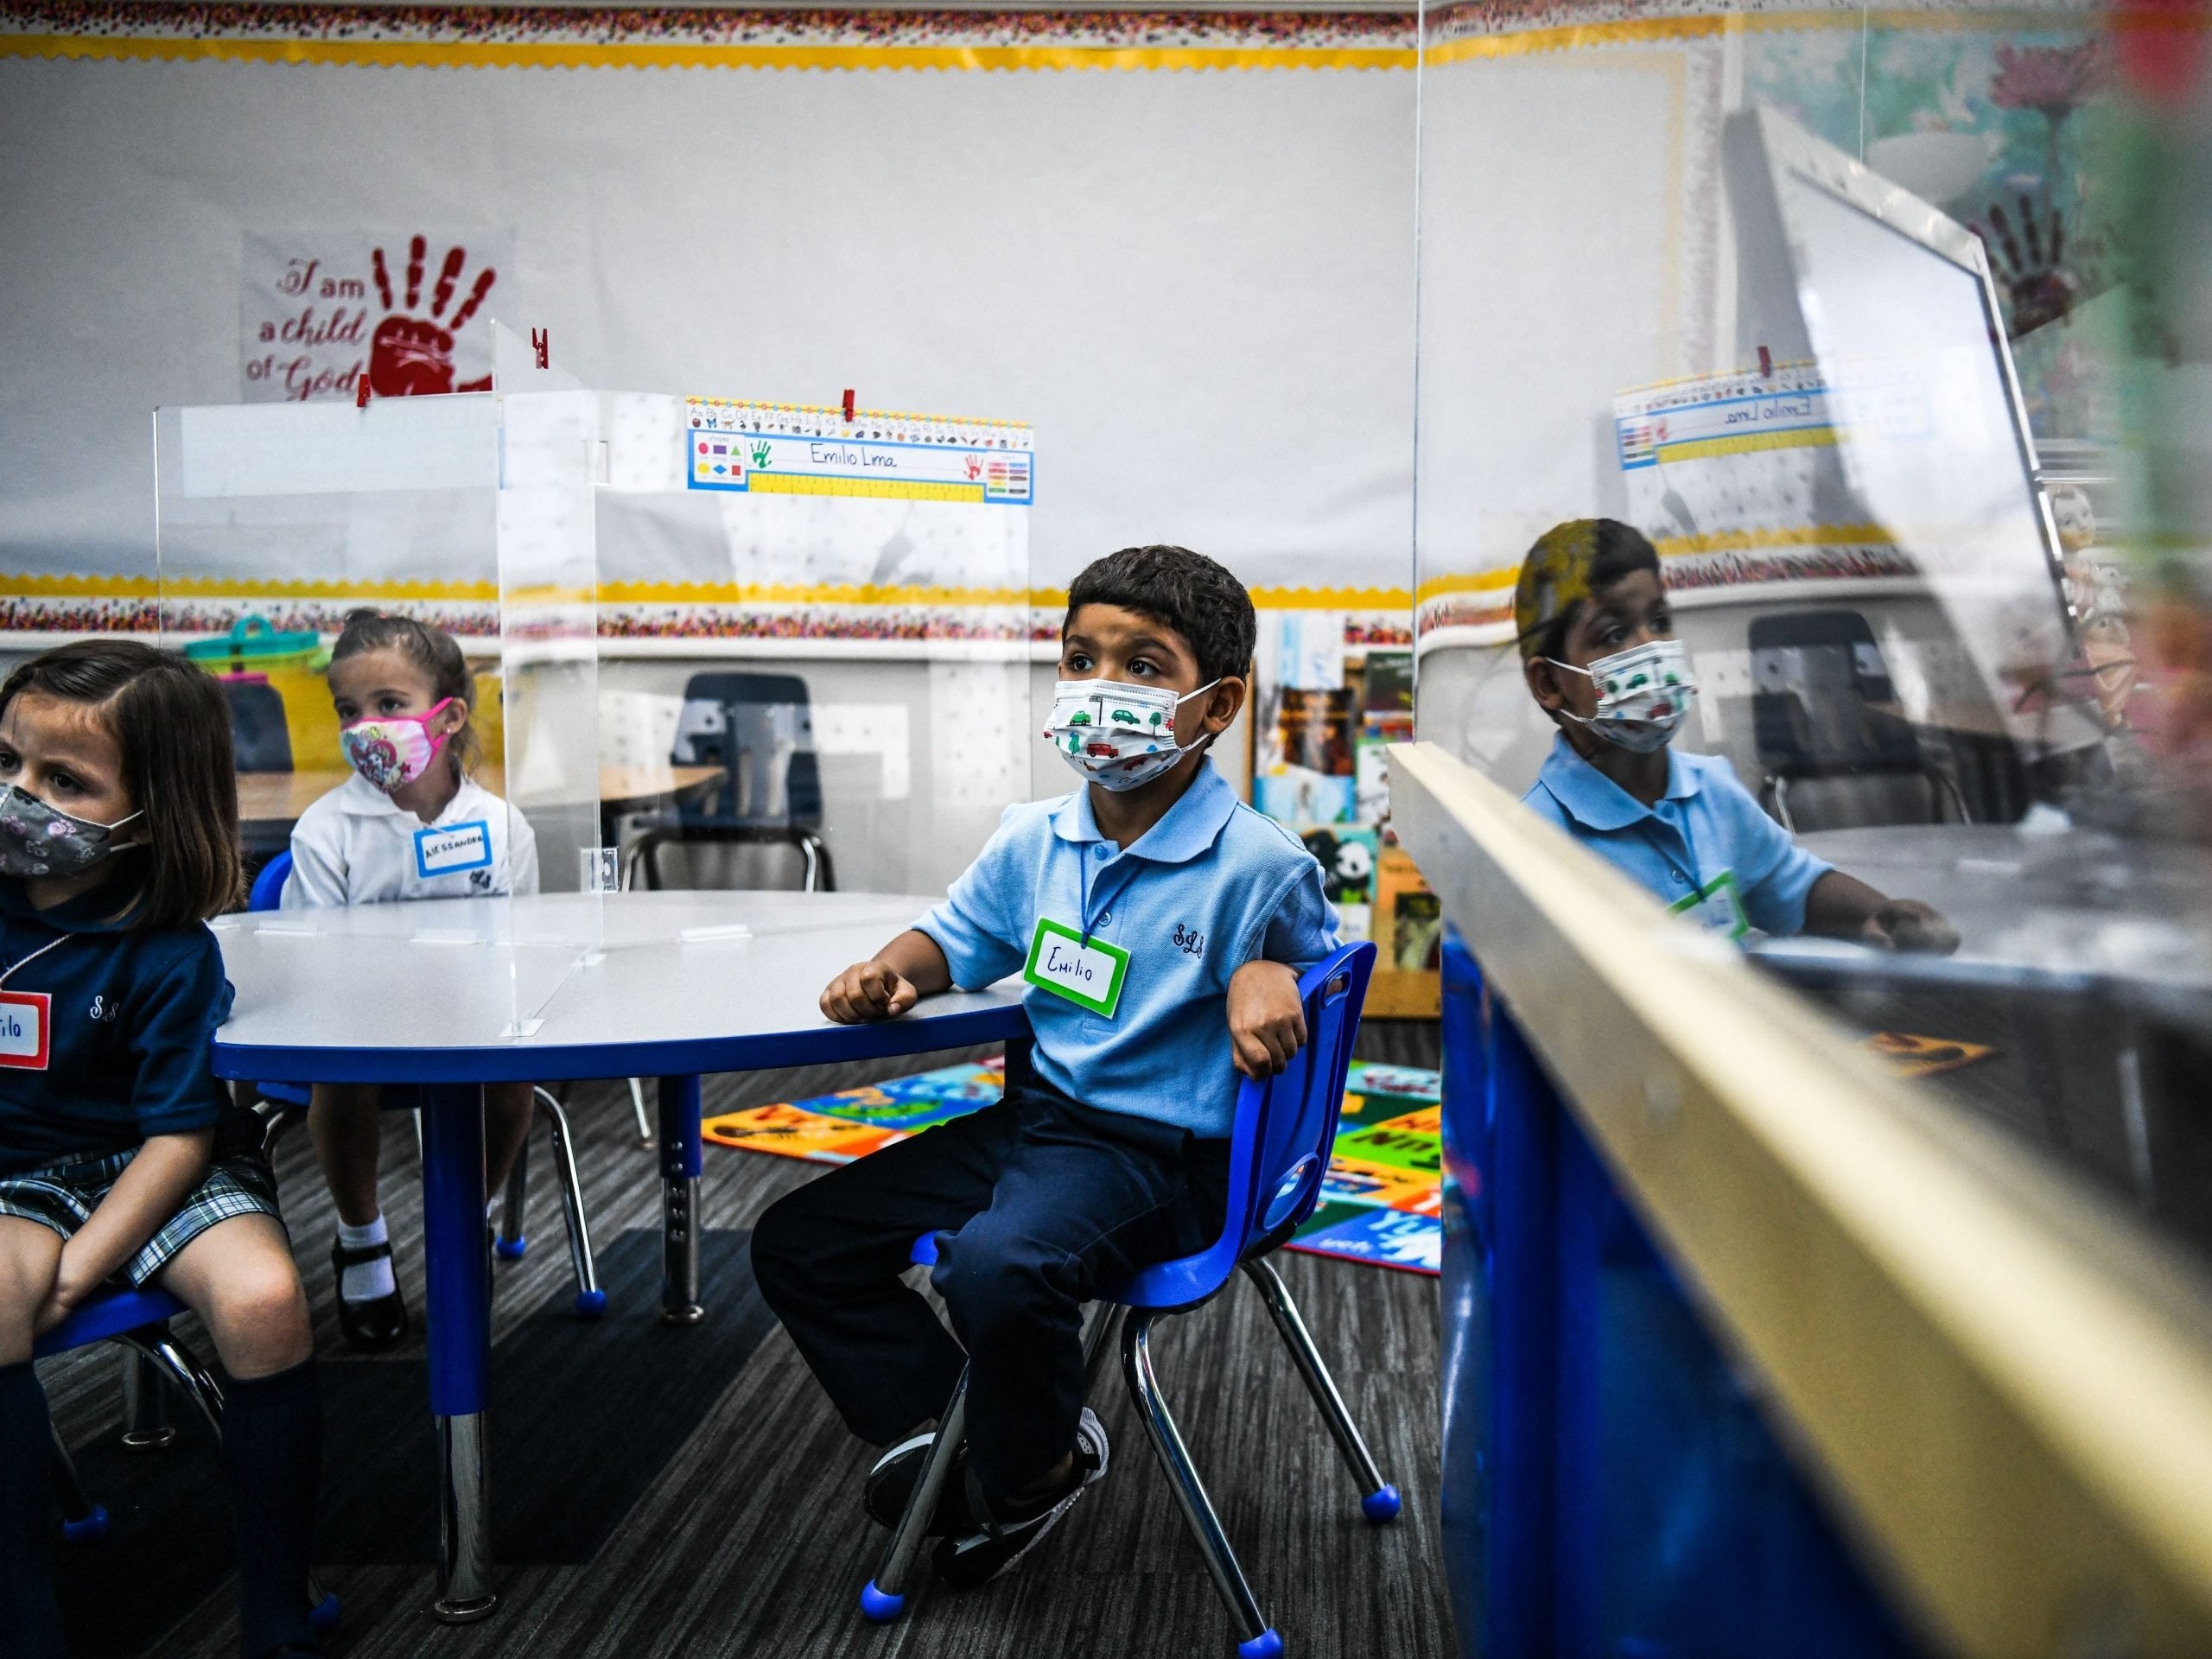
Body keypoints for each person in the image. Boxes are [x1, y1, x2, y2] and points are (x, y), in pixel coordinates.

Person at [752, 544, 1337, 1589]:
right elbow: (954, 939)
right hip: (1042, 1124)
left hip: (1163, 1158)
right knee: (798, 1240)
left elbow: (1315, 979)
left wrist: (1269, 974)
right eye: (1080, 659)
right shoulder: (1032, 839)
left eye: (1144, 666)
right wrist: (892, 973)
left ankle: (1029, 1474)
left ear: (1217, 706)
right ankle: (977, 1436)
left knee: (994, 1265)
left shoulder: (1260, 864)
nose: (1100, 687)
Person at [0, 640, 323, 1659]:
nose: (20, 797)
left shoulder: (170, 948)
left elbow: (179, 1138)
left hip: (169, 1164)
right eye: (7, 764)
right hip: (17, 1171)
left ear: (154, 807)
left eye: (63, 782)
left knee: (266, 1302)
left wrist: (77, 1272)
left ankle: (276, 1608)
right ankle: (27, 1620)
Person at [1515, 518, 1957, 950]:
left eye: (1660, 621)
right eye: (1613, 634)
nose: (1651, 648)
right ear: (1551, 685)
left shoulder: (1711, 790)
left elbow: (1792, 885)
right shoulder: (1535, 844)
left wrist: (1875, 913)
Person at [280, 611, 538, 1351]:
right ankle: (361, 1237)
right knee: (343, 1075)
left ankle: (464, 1217)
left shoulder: (499, 825)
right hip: (360, 1016)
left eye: (390, 705)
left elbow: (523, 944)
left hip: (469, 1013)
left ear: (449, 715)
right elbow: (315, 964)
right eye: (349, 711)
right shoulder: (326, 831)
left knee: (512, 1079)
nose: (367, 727)